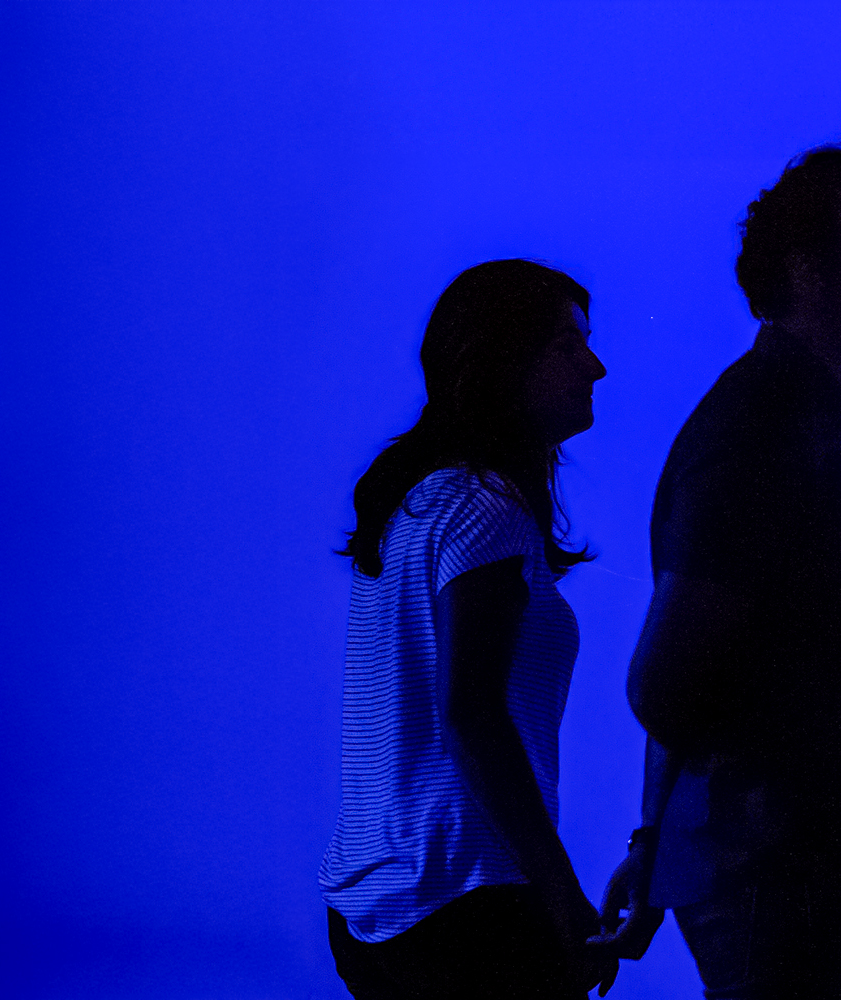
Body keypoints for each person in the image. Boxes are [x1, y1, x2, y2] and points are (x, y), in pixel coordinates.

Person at [592, 147, 841, 999]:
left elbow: (703, 646)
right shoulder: (763, 431)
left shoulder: (791, 423)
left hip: (793, 880)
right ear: (807, 271)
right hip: (787, 881)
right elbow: (663, 682)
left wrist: (651, 839)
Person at [320, 260, 617, 999]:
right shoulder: (485, 509)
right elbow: (473, 715)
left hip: (374, 903)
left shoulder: (418, 505)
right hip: (471, 901)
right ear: (501, 363)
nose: (596, 365)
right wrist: (561, 896)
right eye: (566, 346)